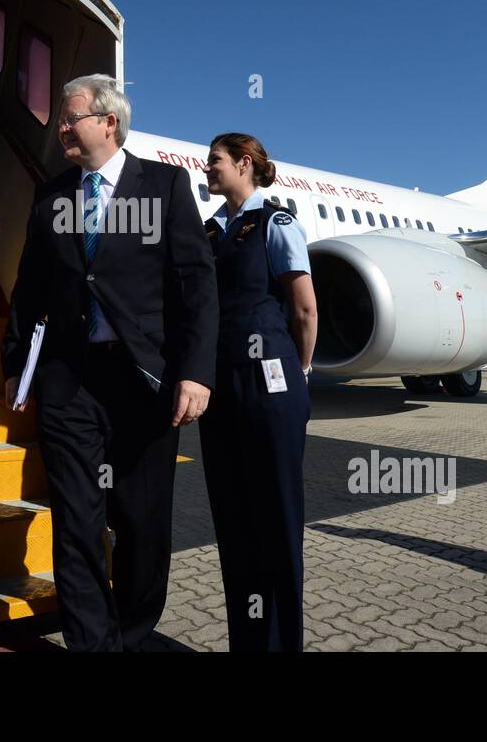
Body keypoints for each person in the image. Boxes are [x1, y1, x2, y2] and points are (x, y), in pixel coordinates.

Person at [1, 74, 217, 651]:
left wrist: (195, 372)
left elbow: (196, 283)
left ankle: (133, 631)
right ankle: (91, 643)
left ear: (108, 122)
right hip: (70, 381)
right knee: (75, 522)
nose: (62, 128)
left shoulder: (165, 186)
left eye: (71, 118)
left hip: (144, 378)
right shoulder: (52, 195)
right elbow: (30, 287)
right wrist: (15, 363)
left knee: (143, 522)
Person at [200, 132, 317, 651]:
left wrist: (300, 369)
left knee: (276, 516)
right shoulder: (210, 231)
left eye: (216, 161)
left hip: (271, 383)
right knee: (233, 516)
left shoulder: (277, 223)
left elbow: (305, 310)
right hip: (222, 385)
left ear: (244, 164)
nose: (208, 169)